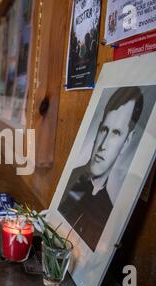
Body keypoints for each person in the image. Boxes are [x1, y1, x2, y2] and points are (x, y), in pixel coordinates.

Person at [58, 87, 144, 251]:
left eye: (116, 133)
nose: (103, 144)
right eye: (104, 130)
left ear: (127, 141)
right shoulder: (69, 179)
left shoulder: (109, 212)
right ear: (98, 130)